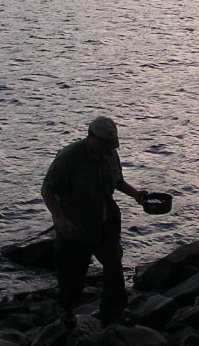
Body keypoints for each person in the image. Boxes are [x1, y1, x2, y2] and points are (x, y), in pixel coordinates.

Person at [41, 116, 146, 325]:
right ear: (91, 137)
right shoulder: (68, 158)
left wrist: (137, 195)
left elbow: (118, 181)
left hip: (106, 223)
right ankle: (67, 313)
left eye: (111, 145)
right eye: (105, 145)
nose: (108, 150)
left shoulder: (110, 155)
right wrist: (60, 219)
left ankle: (112, 313)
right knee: (73, 276)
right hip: (75, 227)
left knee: (114, 266)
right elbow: (47, 190)